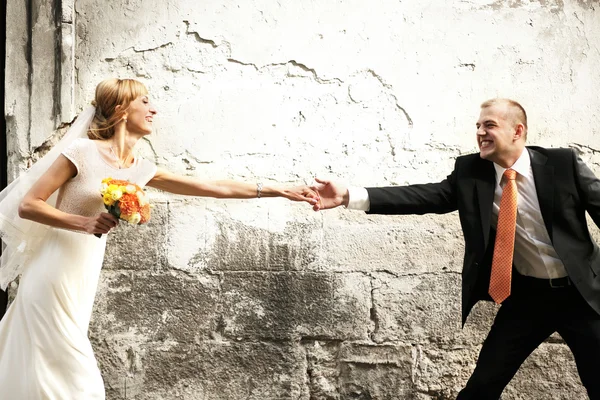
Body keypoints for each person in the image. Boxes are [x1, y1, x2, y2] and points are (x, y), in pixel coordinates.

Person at [0, 78, 319, 399]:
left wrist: (278, 190)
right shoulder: (82, 152)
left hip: (83, 275)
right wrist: (83, 222)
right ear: (121, 110)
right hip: (53, 270)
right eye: (145, 102)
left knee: (44, 366)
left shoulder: (140, 169)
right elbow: (29, 205)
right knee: (78, 378)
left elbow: (214, 187)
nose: (154, 109)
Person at [311, 98, 600, 399]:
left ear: (517, 131)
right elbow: (424, 197)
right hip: (528, 298)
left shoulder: (562, 164)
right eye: (477, 126)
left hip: (582, 294)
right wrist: (348, 196)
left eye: (489, 125)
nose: (480, 132)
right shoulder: (471, 171)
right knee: (482, 386)